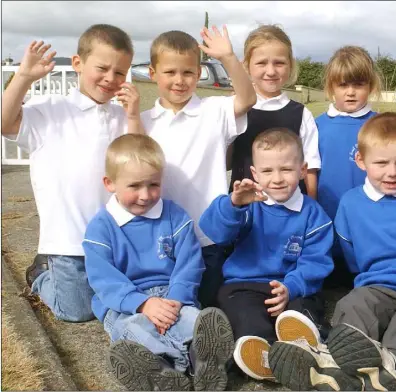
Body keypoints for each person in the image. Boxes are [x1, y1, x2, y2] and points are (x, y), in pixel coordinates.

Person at [269, 113, 396, 391]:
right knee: (353, 306)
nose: (392, 172)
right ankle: (335, 366)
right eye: (381, 163)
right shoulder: (351, 203)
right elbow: (352, 257)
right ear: (361, 162)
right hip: (377, 284)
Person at [1, 24, 144, 322]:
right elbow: (4, 122)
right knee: (77, 311)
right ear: (77, 63)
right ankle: (41, 274)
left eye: (119, 72)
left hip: (116, 237)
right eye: (102, 68)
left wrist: (132, 116)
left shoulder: (123, 115)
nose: (110, 79)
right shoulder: (49, 110)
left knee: (124, 297)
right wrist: (24, 77)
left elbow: (139, 157)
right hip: (69, 239)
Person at [83, 134, 235, 391]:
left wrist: (177, 298)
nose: (145, 195)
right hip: (125, 305)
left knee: (194, 321)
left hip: (173, 296)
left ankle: (204, 365)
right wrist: (141, 303)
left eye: (153, 185)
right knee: (133, 332)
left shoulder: (174, 215)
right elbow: (104, 279)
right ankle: (164, 371)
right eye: (134, 186)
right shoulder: (100, 227)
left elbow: (190, 263)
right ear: (110, 183)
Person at [199, 128, 334, 382]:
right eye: (268, 171)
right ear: (254, 173)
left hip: (290, 285)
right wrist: (234, 204)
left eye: (286, 169)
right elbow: (216, 233)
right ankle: (267, 358)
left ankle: (310, 349)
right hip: (243, 285)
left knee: (301, 311)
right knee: (246, 316)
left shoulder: (314, 215)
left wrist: (291, 287)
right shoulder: (248, 204)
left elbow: (316, 262)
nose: (277, 179)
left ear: (303, 170)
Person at [140, 28, 256, 308]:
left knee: (207, 304)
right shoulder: (142, 121)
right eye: (170, 72)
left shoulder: (214, 111)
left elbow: (248, 98)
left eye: (188, 73)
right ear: (153, 72)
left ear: (199, 72)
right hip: (159, 237)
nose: (179, 81)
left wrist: (228, 56)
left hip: (207, 238)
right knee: (167, 306)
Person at [227, 24, 321, 199]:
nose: (271, 71)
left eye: (279, 63)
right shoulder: (232, 108)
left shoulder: (301, 114)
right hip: (245, 209)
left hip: (289, 210)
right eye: (261, 63)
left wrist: (313, 203)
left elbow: (311, 165)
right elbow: (223, 162)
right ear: (246, 66)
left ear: (290, 65)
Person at [316, 45, 381, 289]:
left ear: (371, 86)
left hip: (368, 220)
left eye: (358, 85)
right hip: (327, 216)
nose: (351, 92)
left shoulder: (379, 124)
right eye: (343, 85)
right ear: (331, 87)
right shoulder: (316, 125)